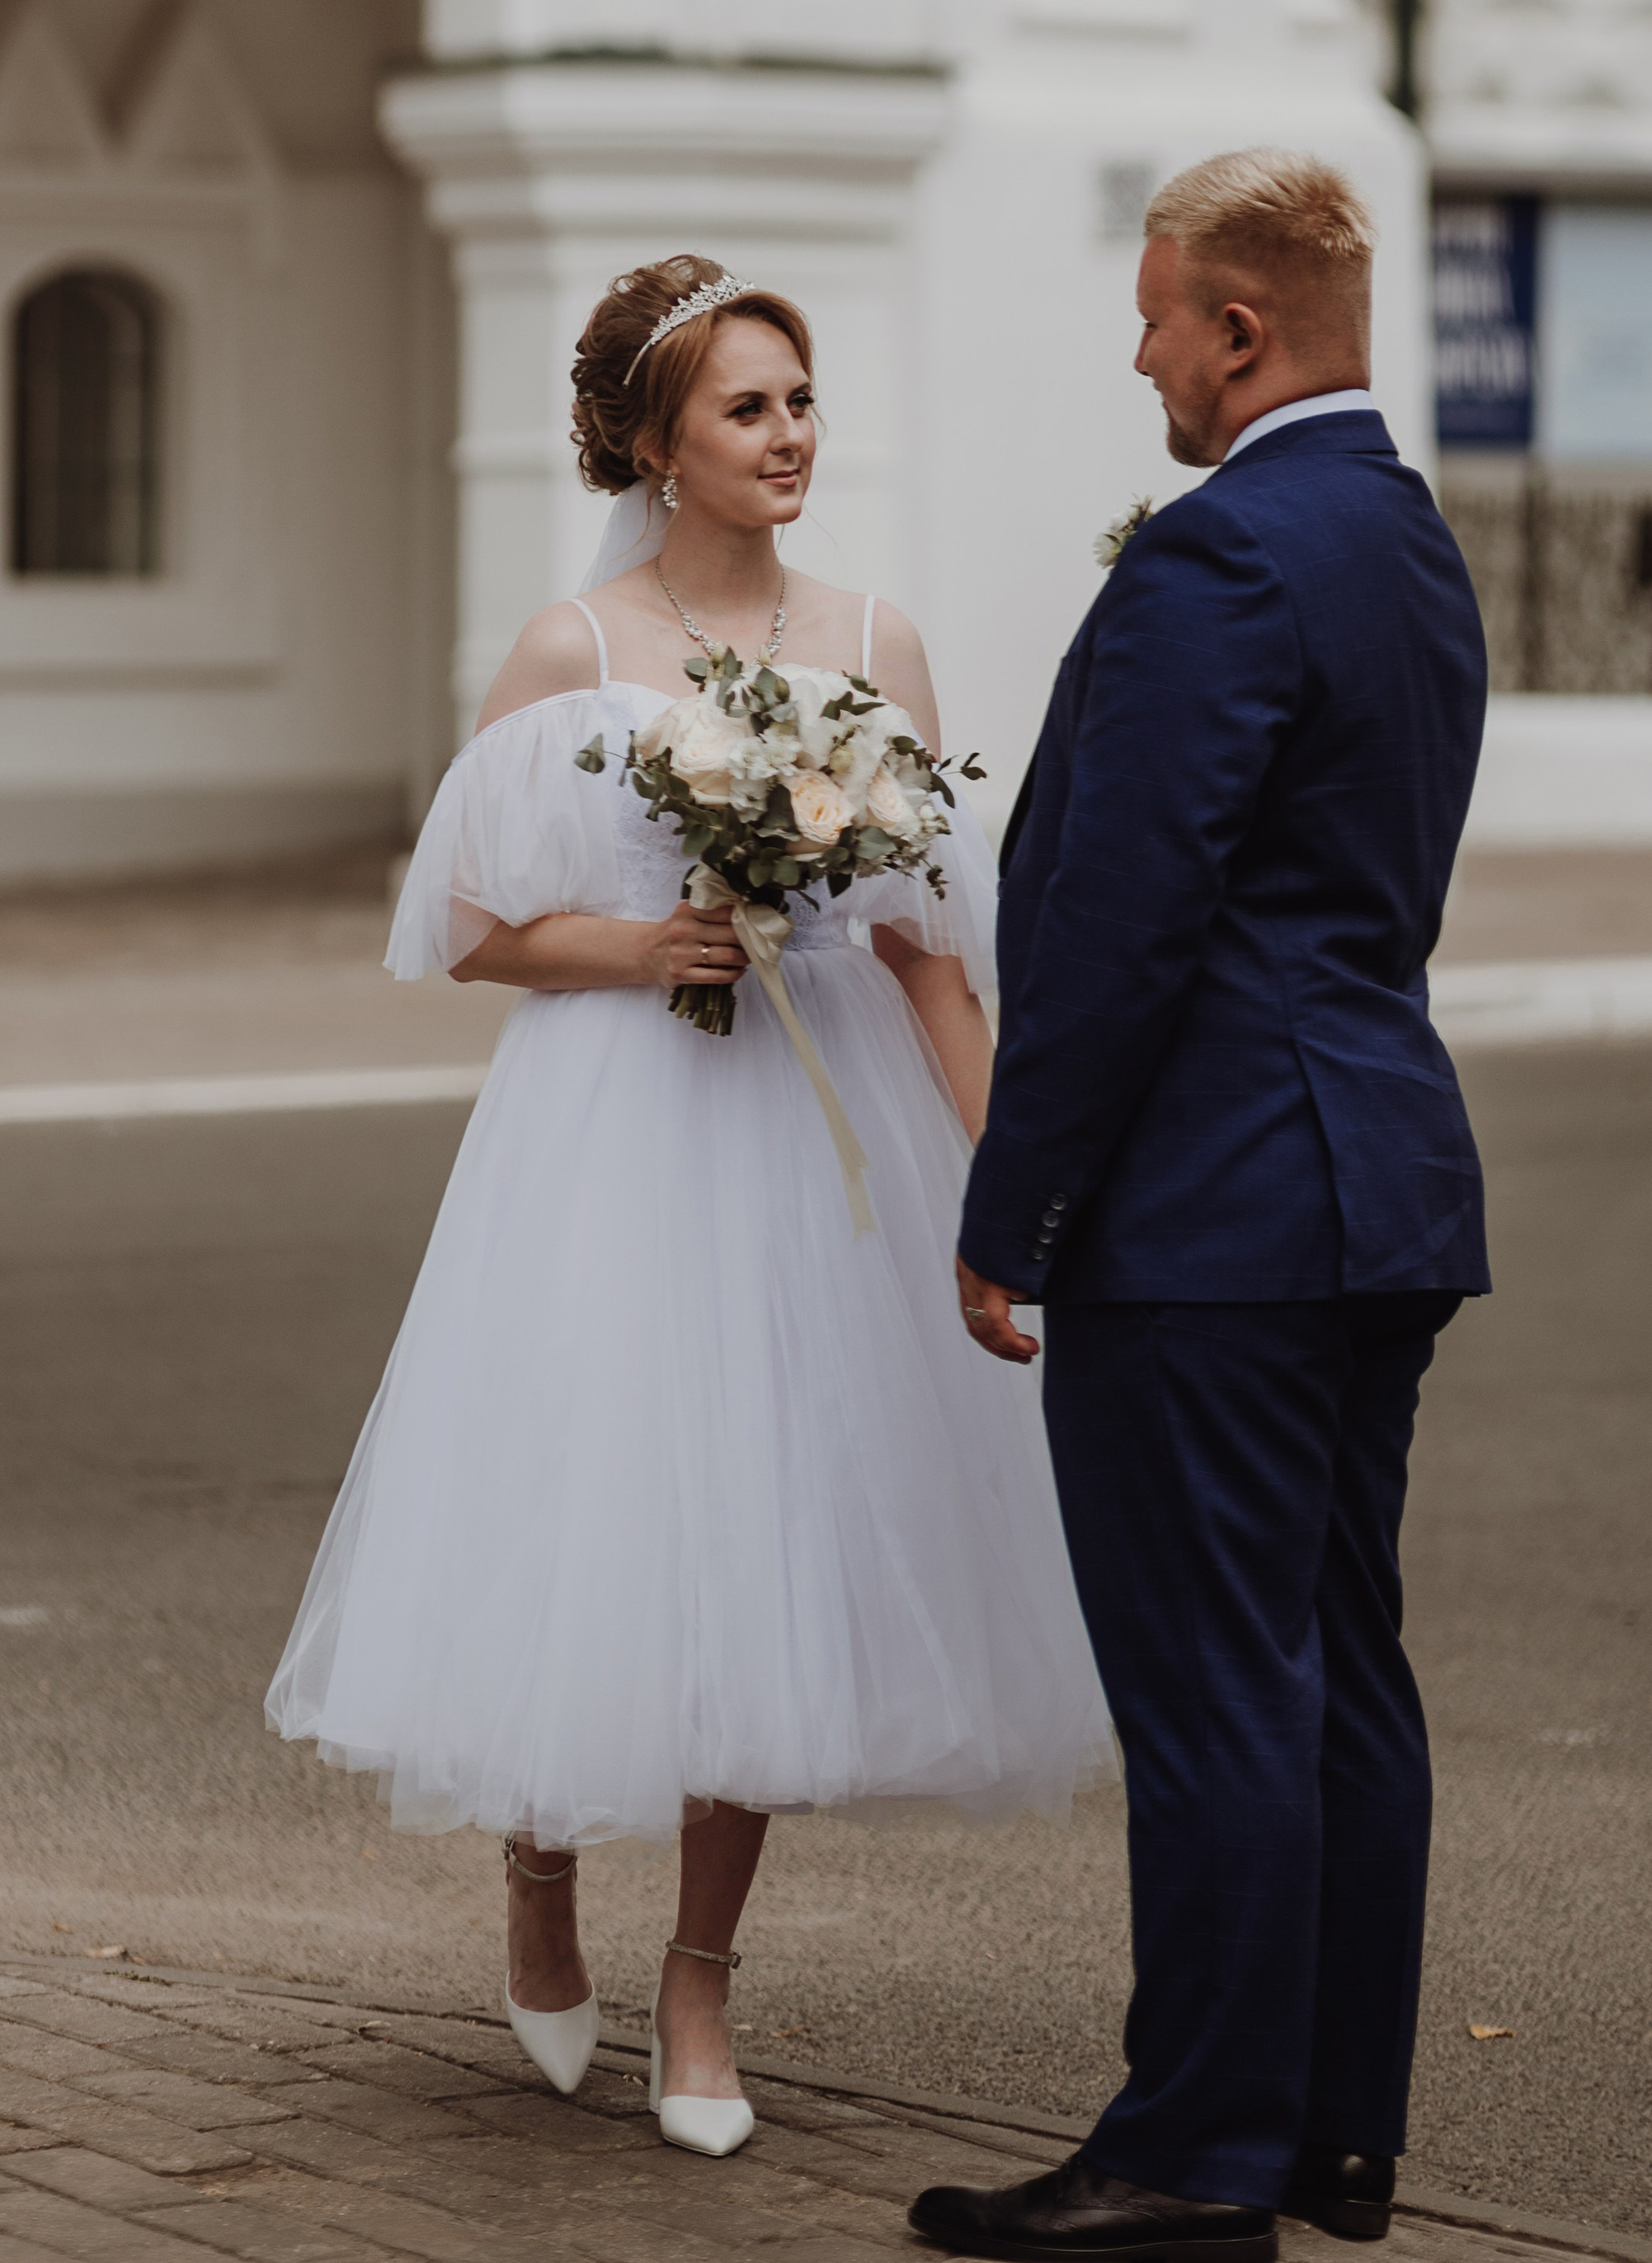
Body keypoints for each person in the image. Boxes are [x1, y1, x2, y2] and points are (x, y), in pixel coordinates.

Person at [268, 252, 1110, 2160]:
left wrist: (1016, 1196)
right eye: (747, 408)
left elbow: (923, 959)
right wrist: (649, 943)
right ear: (655, 445)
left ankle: (701, 1975)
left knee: (781, 1539)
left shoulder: (875, 643)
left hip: (818, 1142)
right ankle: (540, 1877)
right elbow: (471, 930)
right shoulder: (574, 651)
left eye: (800, 400)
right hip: (618, 1124)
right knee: (592, 1509)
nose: (788, 435)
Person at [911, 153, 1490, 2262]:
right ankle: (1331, 2130)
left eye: (1156, 317)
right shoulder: (1406, 542)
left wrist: (1016, 1202)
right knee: (1333, 1665)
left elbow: (1121, 925)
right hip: (1377, 1187)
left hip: (1215, 1210)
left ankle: (1192, 2156)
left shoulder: (1220, 557)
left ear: (1238, 332)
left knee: (1217, 1681)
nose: (1139, 351)